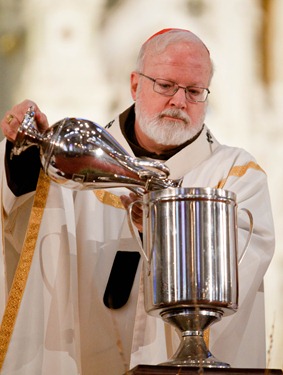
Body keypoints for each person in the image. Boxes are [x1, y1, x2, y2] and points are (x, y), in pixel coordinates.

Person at [0, 28, 275, 375]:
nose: (179, 101)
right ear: (135, 84)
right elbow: (23, 214)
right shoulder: (78, 162)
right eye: (165, 85)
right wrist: (26, 151)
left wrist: (163, 231)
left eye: (194, 91)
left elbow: (241, 272)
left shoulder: (234, 176)